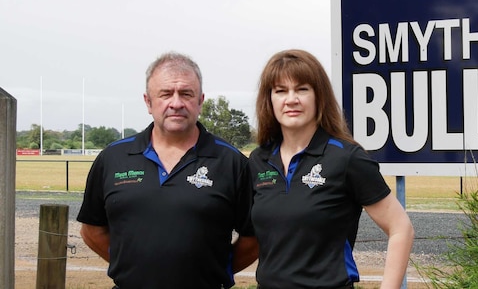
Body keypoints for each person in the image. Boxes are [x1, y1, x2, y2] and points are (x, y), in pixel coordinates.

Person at [77, 52, 258, 289]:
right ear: (148, 102)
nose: (176, 103)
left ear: (200, 100)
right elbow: (91, 230)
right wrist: (131, 266)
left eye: (186, 93)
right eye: (165, 94)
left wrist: (212, 269)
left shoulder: (231, 162)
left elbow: (254, 239)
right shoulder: (113, 158)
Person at [249, 49, 414, 289]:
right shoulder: (258, 160)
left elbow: (401, 228)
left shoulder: (346, 158)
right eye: (281, 91)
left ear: (319, 97)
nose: (291, 99)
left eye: (302, 89)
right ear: (269, 99)